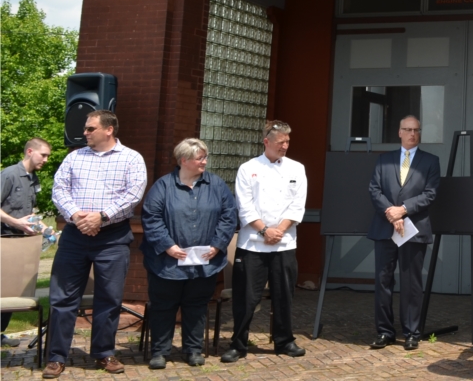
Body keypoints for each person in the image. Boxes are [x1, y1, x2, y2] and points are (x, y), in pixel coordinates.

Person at [43, 112, 147, 378]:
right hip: (75, 235)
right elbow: (59, 190)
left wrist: (101, 217)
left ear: (109, 129)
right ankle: (56, 356)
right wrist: (78, 216)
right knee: (62, 298)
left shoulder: (131, 158)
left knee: (109, 298)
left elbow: (133, 194)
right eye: (85, 129)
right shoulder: (73, 157)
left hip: (112, 237)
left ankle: (103, 353)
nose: (85, 133)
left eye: (91, 128)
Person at [140, 138, 238, 369]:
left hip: (204, 261)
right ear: (184, 160)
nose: (204, 161)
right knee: (164, 306)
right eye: (200, 158)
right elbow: (151, 217)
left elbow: (229, 214)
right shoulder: (163, 187)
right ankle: (160, 352)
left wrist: (218, 244)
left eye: (205, 157)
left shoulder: (216, 185)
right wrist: (167, 245)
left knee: (196, 305)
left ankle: (193, 350)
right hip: (166, 263)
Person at [221, 120, 307, 363]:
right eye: (281, 142)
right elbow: (244, 205)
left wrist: (278, 230)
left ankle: (284, 341)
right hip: (252, 244)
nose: (285, 146)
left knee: (284, 295)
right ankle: (238, 343)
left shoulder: (296, 168)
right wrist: (264, 231)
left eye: (288, 142)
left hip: (285, 242)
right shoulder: (248, 168)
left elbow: (297, 204)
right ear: (266, 142)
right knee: (245, 297)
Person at [367, 115, 440, 351]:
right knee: (383, 280)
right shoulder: (384, 159)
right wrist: (392, 213)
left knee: (411, 283)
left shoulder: (431, 161)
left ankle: (411, 333)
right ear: (399, 132)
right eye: (407, 129)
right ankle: (385, 332)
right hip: (386, 228)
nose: (412, 134)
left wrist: (403, 210)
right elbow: (374, 189)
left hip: (414, 230)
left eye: (416, 130)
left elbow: (430, 194)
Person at [1, 137, 52, 346]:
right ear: (30, 151)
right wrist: (16, 223)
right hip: (4, 242)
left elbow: (28, 214)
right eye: (44, 155)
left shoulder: (33, 179)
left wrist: (44, 229)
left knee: (15, 291)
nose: (47, 160)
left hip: (21, 244)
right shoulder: (10, 175)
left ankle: (0, 332)